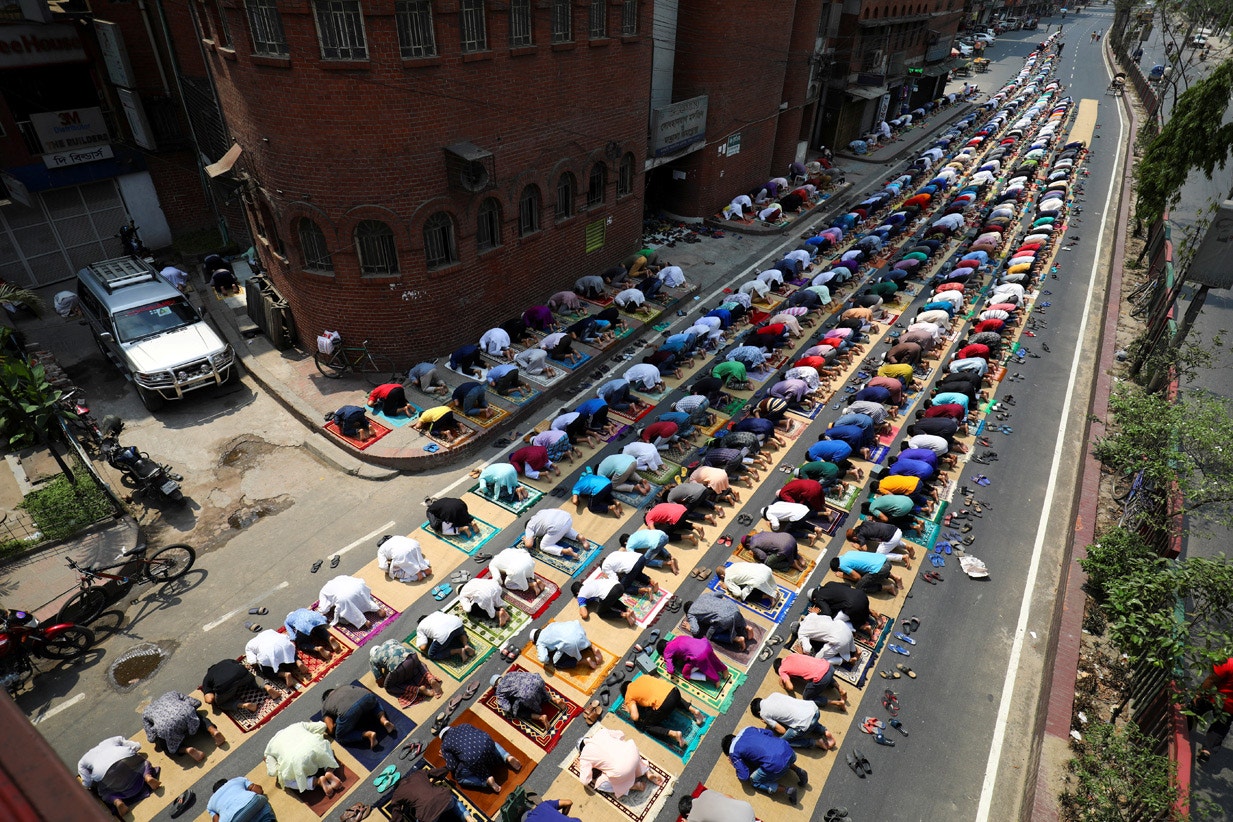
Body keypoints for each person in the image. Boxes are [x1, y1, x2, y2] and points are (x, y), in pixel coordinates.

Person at [78, 736, 161, 817]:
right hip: (124, 757)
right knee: (144, 764)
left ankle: (116, 800)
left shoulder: (82, 761)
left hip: (103, 773)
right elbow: (137, 746)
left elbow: (87, 784)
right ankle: (147, 776)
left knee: (104, 793)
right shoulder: (112, 739)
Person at [721, 727, 808, 803]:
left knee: (754, 780)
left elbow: (744, 776)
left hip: (777, 766)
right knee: (778, 756)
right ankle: (798, 770)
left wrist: (734, 763)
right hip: (788, 750)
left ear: (727, 751)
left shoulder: (733, 752)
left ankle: (787, 790)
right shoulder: (747, 729)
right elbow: (769, 733)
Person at [619, 677, 706, 749]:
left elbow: (635, 717)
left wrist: (629, 709)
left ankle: (674, 734)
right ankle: (694, 711)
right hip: (674, 691)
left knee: (647, 725)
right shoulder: (642, 678)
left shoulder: (628, 695)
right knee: (671, 696)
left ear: (625, 693)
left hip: (665, 705)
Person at [576, 727, 664, 797]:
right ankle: (646, 772)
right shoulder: (601, 733)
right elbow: (621, 734)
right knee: (625, 747)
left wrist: (581, 768)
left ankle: (632, 786)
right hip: (633, 753)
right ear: (589, 738)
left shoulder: (584, 756)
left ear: (580, 751)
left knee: (600, 785)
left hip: (622, 771)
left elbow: (585, 781)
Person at [263, 721, 344, 796]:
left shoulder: (268, 749)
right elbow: (322, 726)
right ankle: (329, 771)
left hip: (296, 762)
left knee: (285, 780)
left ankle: (318, 781)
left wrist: (278, 765)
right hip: (315, 748)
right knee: (325, 745)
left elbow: (273, 772)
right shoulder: (297, 725)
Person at [140, 695, 221, 767]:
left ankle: (186, 749)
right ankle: (213, 731)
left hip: (167, 726)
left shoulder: (145, 713)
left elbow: (151, 738)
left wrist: (157, 729)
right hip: (184, 714)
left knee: (165, 746)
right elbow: (197, 703)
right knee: (199, 718)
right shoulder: (171, 694)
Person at [321, 684, 398, 749]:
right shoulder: (344, 686)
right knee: (374, 702)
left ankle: (368, 734)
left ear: (326, 698)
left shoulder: (325, 705)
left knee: (341, 737)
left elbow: (330, 729)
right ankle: (384, 720)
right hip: (366, 697)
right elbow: (368, 692)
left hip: (348, 711)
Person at [749, 693, 836, 750]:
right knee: (805, 718)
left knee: (782, 741)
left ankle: (816, 743)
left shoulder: (764, 713)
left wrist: (767, 722)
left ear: (758, 712)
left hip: (805, 724)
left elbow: (782, 730)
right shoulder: (773, 695)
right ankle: (824, 731)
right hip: (813, 709)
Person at [385, 767, 471, 822]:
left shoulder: (397, 794)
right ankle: (468, 818)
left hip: (428, 816)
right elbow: (440, 770)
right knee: (455, 802)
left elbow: (397, 817)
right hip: (444, 800)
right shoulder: (418, 773)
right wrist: (434, 780)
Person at [369, 638, 443, 701]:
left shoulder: (373, 659)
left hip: (399, 667)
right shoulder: (390, 641)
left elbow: (380, 682)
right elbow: (400, 652)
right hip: (412, 655)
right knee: (419, 664)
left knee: (388, 686)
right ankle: (430, 678)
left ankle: (418, 690)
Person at [201, 658, 283, 713]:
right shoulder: (226, 661)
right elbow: (243, 666)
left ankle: (243, 705)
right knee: (253, 679)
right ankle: (267, 687)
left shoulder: (207, 678)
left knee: (221, 704)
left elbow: (209, 699)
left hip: (225, 686)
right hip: (241, 673)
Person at [493, 669, 568, 727]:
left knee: (514, 711)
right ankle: (554, 699)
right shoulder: (509, 674)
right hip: (538, 680)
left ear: (496, 686)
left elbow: (507, 707)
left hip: (528, 695)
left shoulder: (499, 691)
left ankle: (540, 717)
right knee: (535, 689)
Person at [684, 591, 757, 650]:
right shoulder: (703, 596)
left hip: (724, 619)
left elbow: (696, 630)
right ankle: (746, 627)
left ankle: (737, 639)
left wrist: (690, 627)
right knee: (734, 616)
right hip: (733, 607)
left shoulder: (691, 613)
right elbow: (720, 593)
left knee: (710, 635)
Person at [774, 653, 848, 710]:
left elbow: (790, 687)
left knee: (807, 697)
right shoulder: (792, 655)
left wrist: (784, 684)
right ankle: (840, 689)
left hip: (822, 679)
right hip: (829, 667)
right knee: (820, 671)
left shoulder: (781, 670)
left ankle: (838, 703)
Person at [808, 581, 881, 638]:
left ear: (814, 599)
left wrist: (815, 613)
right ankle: (871, 612)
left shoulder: (818, 598)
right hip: (861, 595)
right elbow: (847, 585)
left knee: (833, 622)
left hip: (853, 606)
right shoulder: (829, 584)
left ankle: (863, 627)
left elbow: (828, 613)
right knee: (856, 606)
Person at [245, 628, 310, 689]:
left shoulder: (249, 645)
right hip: (283, 647)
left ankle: (284, 674)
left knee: (267, 672)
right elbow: (284, 637)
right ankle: (298, 662)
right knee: (290, 652)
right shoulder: (270, 631)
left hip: (268, 655)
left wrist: (254, 666)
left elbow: (252, 661)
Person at [571, 571, 638, 627]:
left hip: (611, 593)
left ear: (577, 593)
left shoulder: (581, 595)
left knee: (601, 613)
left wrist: (580, 607)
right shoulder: (590, 583)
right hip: (619, 587)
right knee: (608, 600)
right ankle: (627, 609)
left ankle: (624, 615)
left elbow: (584, 615)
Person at [658, 634, 729, 684]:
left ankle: (712, 679)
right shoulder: (678, 638)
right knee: (712, 659)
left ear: (662, 652)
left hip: (698, 656)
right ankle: (724, 669)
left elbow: (671, 670)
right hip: (705, 644)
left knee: (685, 673)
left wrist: (666, 661)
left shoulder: (666, 652)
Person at [531, 621, 602, 669]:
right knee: (577, 639)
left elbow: (543, 658)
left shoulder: (539, 642)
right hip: (578, 629)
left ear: (535, 640)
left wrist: (547, 661)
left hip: (571, 643)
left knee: (557, 663)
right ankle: (592, 647)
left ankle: (584, 661)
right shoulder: (550, 625)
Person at [207, 776, 275, 822]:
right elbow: (258, 791)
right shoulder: (236, 780)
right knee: (261, 800)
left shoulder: (210, 803)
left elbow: (216, 820)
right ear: (227, 782)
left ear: (215, 793)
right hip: (252, 803)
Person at [830, 551, 902, 594]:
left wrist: (844, 575)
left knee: (859, 587)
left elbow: (857, 578)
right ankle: (895, 577)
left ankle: (888, 587)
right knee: (866, 569)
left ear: (838, 568)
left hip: (881, 570)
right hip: (885, 561)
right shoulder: (848, 553)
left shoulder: (842, 566)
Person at [761, 500, 825, 545]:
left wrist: (770, 525)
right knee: (799, 523)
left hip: (797, 516)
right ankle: (816, 529)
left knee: (787, 532)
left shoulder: (768, 514)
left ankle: (808, 536)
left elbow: (776, 526)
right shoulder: (777, 503)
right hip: (804, 509)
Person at [846, 519, 913, 562]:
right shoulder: (864, 523)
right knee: (887, 539)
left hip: (892, 538)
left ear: (854, 538)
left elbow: (865, 549)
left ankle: (903, 557)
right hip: (896, 530)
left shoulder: (859, 535)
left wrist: (858, 547)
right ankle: (907, 546)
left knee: (879, 555)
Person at [741, 532, 808, 572]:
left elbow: (764, 557)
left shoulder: (752, 546)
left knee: (768, 563)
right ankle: (797, 556)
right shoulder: (760, 533)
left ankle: (791, 564)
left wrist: (755, 554)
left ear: (747, 545)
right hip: (790, 538)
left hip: (785, 548)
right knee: (782, 547)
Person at [678, 790, 756, 822]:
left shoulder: (692, 818)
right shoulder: (706, 793)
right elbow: (729, 796)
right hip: (748, 809)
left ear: (687, 814)